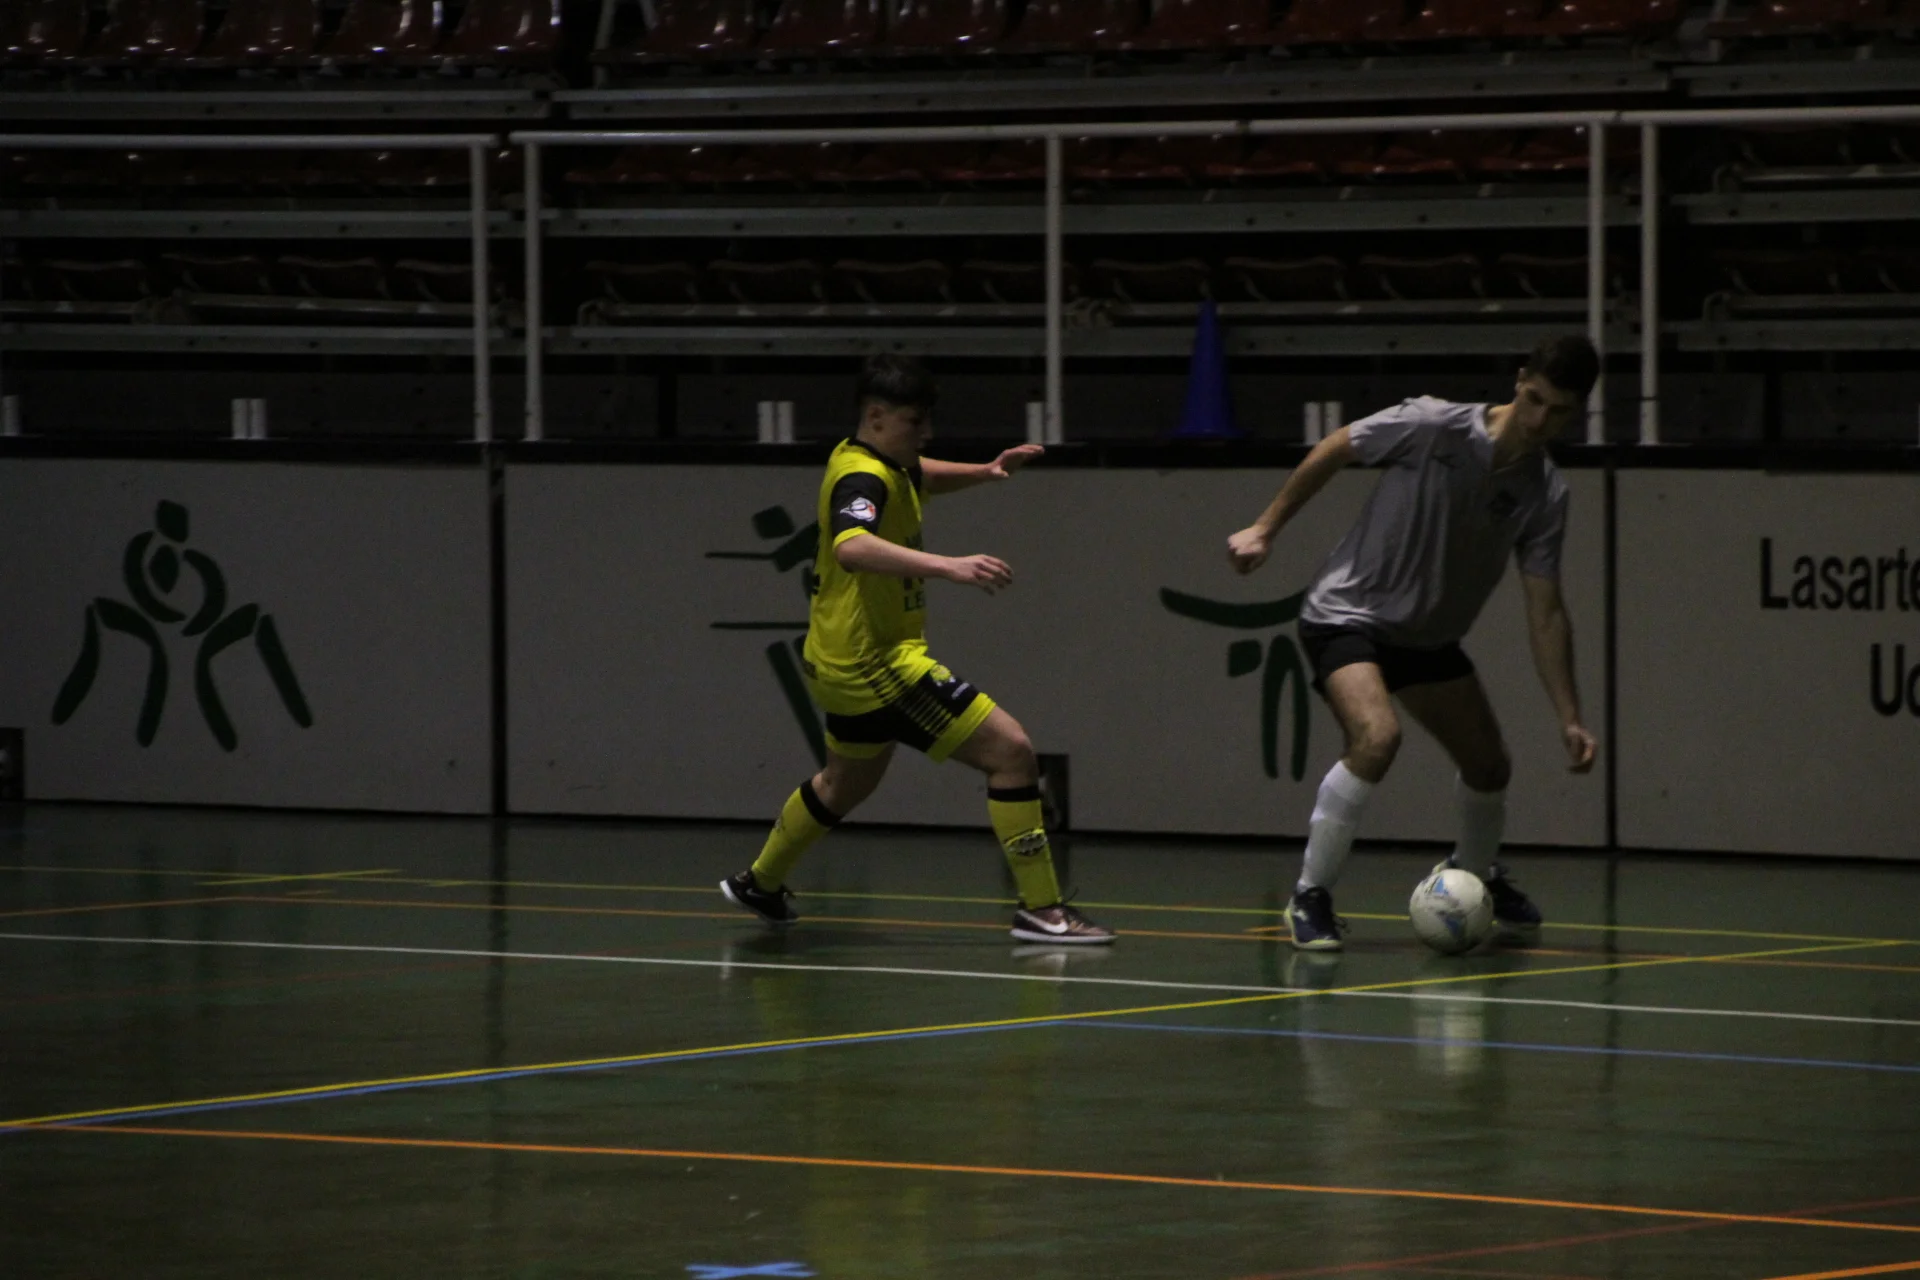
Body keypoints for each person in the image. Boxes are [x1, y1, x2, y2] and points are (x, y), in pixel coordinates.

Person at [722, 355, 1114, 945]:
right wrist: (949, 566)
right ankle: (1042, 910)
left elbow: (918, 474)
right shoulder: (861, 479)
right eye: (914, 422)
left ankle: (759, 882)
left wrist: (987, 471)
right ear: (876, 415)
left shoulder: (875, 459)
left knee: (843, 784)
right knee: (1011, 753)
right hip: (876, 662)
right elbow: (852, 546)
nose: (926, 433)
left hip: (838, 660)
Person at [1225, 335, 1601, 951]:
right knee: (1377, 737)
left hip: (1427, 639)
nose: (1539, 421)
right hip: (1347, 614)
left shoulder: (1545, 493)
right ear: (1518, 380)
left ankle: (1472, 877)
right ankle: (1310, 895)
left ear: (1577, 411)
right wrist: (1265, 529)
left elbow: (1547, 612)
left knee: (1489, 765)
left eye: (1558, 411)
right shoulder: (1433, 425)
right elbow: (1338, 445)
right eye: (1534, 399)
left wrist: (1570, 716)